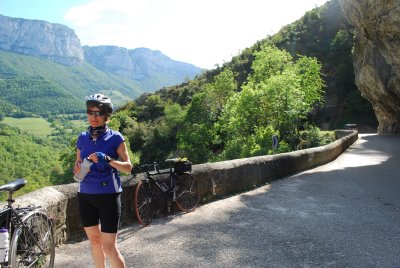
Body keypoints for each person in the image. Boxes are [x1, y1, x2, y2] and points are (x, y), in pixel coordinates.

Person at [73, 93, 132, 268]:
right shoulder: (82, 137)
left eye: (98, 113)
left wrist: (108, 160)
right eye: (90, 112)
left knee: (109, 246)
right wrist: (76, 167)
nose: (93, 117)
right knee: (95, 242)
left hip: (109, 195)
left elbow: (128, 168)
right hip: (85, 195)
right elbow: (77, 162)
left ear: (107, 115)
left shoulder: (115, 138)